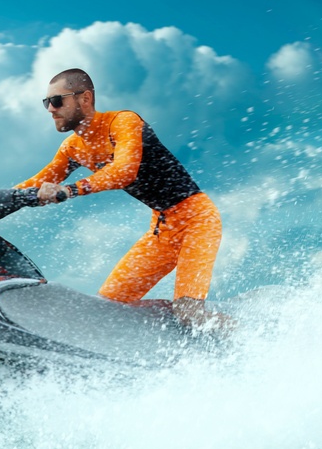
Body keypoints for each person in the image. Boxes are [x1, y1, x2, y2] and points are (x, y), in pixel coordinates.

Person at [15, 68, 224, 328]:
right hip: (162, 229)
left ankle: (254, 341)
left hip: (197, 220)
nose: (50, 109)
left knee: (188, 313)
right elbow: (34, 183)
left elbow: (124, 172)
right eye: (46, 102)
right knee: (108, 308)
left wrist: (71, 190)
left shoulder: (123, 122)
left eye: (57, 100)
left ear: (85, 98)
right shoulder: (72, 148)